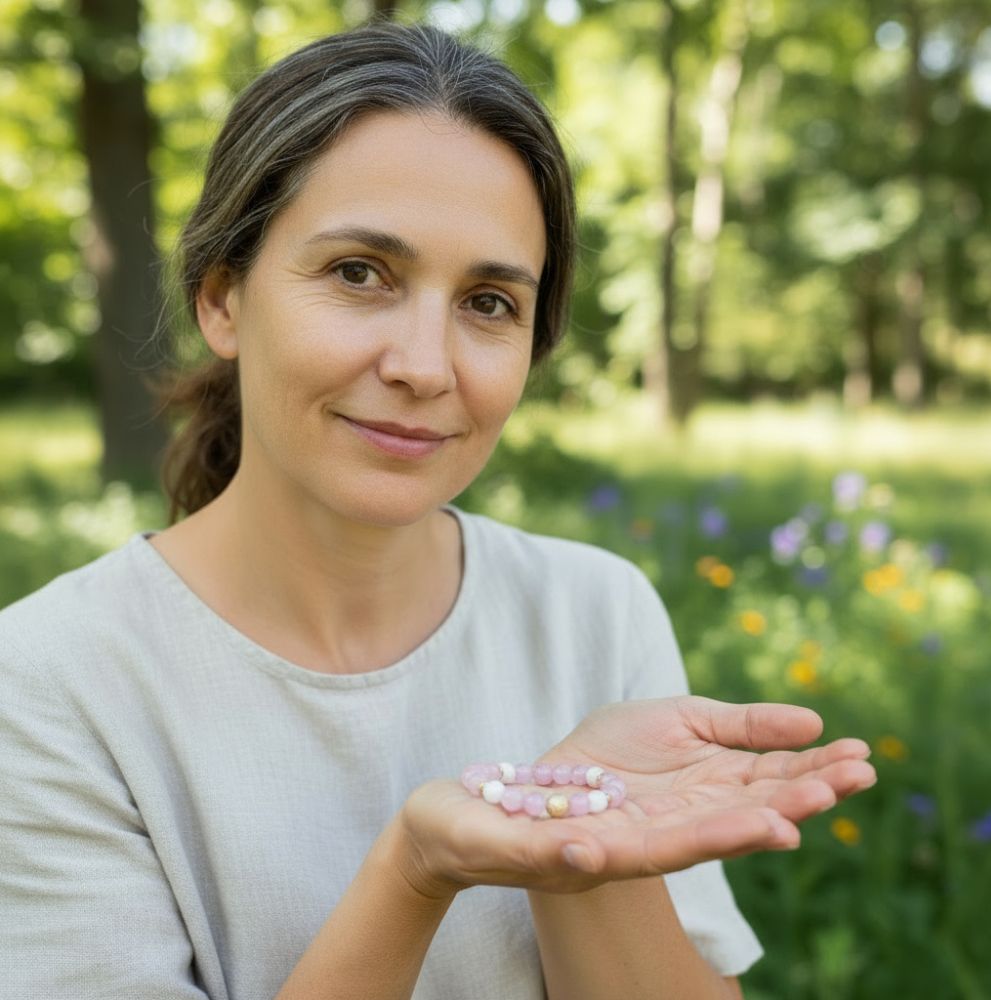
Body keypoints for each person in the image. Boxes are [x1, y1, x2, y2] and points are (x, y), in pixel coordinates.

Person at [0, 22, 876, 1000]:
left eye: (488, 302)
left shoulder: (594, 612)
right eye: (359, 273)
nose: (423, 365)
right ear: (223, 298)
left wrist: (578, 846)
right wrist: (415, 868)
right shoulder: (46, 684)